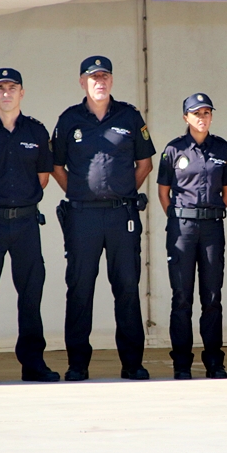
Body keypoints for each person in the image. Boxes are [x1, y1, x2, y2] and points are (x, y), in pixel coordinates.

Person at [52, 56, 155, 381]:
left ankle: (132, 363)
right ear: (82, 82)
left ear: (111, 80)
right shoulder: (69, 120)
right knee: (79, 288)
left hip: (121, 216)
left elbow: (145, 164)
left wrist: (121, 193)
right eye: (93, 77)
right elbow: (56, 167)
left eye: (105, 76)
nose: (100, 82)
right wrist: (82, 193)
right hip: (82, 218)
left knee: (126, 287)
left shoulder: (129, 116)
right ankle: (77, 364)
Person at [0, 68, 58, 384]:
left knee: (31, 295)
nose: (6, 93)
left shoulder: (36, 132)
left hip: (26, 224)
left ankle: (33, 364)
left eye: (12, 87)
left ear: (22, 92)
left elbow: (43, 179)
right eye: (0, 88)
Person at [157, 93, 227, 380]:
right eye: (196, 113)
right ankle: (182, 363)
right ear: (186, 118)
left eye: (206, 113)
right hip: (182, 230)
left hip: (212, 228)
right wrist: (180, 218)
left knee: (212, 296)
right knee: (181, 297)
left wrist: (207, 214)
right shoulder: (173, 150)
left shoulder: (222, 148)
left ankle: (214, 361)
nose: (202, 118)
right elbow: (163, 192)